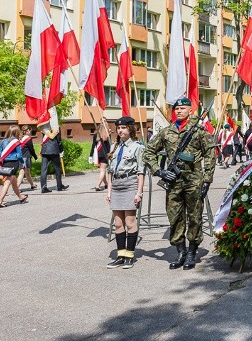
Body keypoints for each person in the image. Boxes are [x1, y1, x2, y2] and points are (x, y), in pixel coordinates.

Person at [144, 97, 216, 270]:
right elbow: (148, 152)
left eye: (182, 108)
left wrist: (207, 179)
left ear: (190, 111)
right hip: (173, 181)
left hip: (193, 180)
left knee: (194, 216)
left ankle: (192, 252)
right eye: (176, 108)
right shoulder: (166, 132)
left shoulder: (198, 131)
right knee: (174, 217)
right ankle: (180, 251)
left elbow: (210, 155)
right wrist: (159, 171)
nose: (178, 111)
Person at [105, 116, 145, 269]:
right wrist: (108, 191)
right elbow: (110, 171)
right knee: (118, 223)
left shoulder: (137, 147)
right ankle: (120, 255)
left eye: (124, 128)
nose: (120, 130)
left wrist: (138, 193)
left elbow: (141, 172)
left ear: (130, 129)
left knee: (130, 222)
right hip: (116, 185)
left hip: (130, 185)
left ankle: (129, 255)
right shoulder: (114, 146)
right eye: (119, 128)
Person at [0, 126, 28, 208]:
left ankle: (20, 197)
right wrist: (22, 163)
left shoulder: (3, 141)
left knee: (14, 182)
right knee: (7, 182)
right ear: (17, 133)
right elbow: (20, 155)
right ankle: (0, 201)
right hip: (13, 163)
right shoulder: (16, 142)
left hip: (5, 163)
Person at [40, 126, 67, 193]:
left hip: (45, 149)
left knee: (44, 169)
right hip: (54, 150)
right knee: (57, 168)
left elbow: (43, 138)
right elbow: (59, 140)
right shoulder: (56, 127)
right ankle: (59, 186)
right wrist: (61, 150)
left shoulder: (44, 127)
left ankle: (43, 187)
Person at [91, 123, 111, 191]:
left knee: (102, 170)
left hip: (98, 154)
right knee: (103, 170)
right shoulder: (107, 136)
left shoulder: (97, 135)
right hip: (105, 154)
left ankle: (106, 184)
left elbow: (93, 145)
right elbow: (109, 146)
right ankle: (98, 185)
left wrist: (91, 155)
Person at [17, 126, 37, 191]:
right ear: (28, 130)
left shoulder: (21, 138)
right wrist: (35, 156)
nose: (30, 132)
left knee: (27, 172)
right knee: (22, 172)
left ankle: (32, 185)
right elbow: (31, 149)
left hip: (21, 157)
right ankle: (16, 188)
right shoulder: (28, 139)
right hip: (25, 157)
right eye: (30, 130)